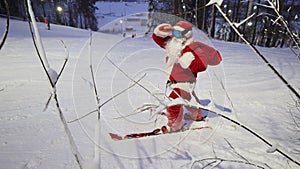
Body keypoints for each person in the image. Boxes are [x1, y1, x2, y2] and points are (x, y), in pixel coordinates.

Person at [152, 21, 222, 132]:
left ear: (187, 34)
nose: (175, 36)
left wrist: (189, 62)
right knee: (188, 99)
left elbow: (202, 66)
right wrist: (162, 30)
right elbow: (157, 38)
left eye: (178, 34)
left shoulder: (193, 48)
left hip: (185, 82)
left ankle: (173, 126)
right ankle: (197, 115)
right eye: (174, 32)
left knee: (174, 104)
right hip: (175, 81)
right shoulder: (173, 44)